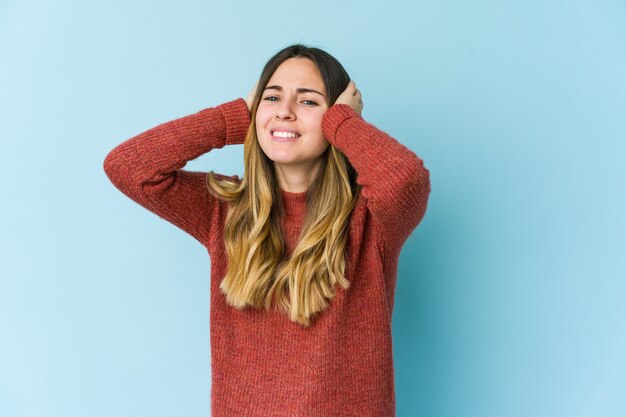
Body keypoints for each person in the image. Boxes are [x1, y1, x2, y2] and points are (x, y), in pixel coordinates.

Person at [103, 43, 431, 417]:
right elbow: (129, 167)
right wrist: (236, 118)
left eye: (308, 102)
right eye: (272, 98)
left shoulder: (372, 218)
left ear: (336, 115)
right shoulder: (224, 210)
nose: (285, 112)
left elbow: (406, 181)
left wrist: (345, 123)